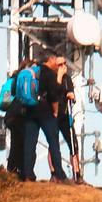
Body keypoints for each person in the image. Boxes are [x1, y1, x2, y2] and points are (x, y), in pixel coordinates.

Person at [23, 52, 69, 183]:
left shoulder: (31, 71)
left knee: (30, 142)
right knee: (53, 142)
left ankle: (28, 174)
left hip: (30, 108)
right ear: (51, 59)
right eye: (57, 62)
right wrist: (55, 111)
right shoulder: (48, 73)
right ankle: (59, 174)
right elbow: (54, 94)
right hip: (45, 110)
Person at [5, 57, 35, 181]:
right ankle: (20, 171)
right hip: (18, 115)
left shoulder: (14, 79)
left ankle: (14, 170)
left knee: (16, 144)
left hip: (12, 115)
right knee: (22, 144)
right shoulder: (23, 79)